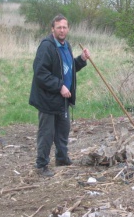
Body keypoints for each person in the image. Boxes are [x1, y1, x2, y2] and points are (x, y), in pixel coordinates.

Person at [29, 14, 90, 177]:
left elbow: (68, 70)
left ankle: (62, 159)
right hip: (47, 99)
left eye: (64, 27)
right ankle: (41, 166)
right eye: (59, 27)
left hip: (63, 99)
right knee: (46, 133)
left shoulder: (66, 46)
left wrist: (82, 60)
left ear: (68, 29)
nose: (62, 30)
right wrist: (59, 86)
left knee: (63, 131)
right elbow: (40, 74)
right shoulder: (46, 47)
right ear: (52, 29)